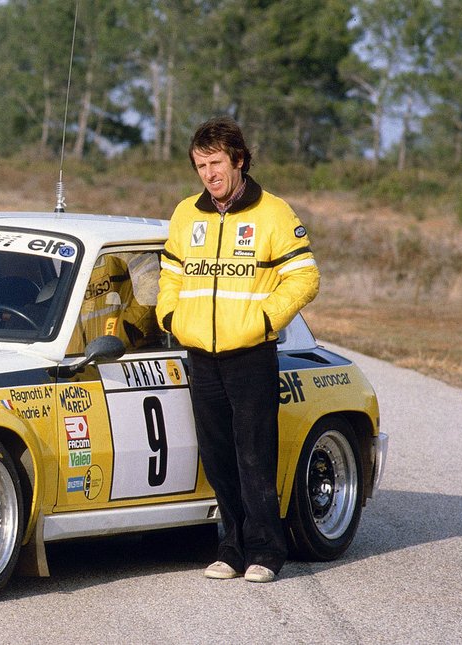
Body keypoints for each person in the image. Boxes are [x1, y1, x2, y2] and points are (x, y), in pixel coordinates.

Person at [156, 117, 319, 584]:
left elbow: (306, 277)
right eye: (201, 165)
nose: (209, 174)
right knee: (218, 455)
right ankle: (230, 548)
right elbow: (169, 273)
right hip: (200, 355)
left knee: (254, 455)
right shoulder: (186, 213)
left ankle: (266, 551)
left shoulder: (274, 213)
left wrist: (265, 321)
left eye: (217, 163)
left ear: (239, 161)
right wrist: (172, 317)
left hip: (250, 355)